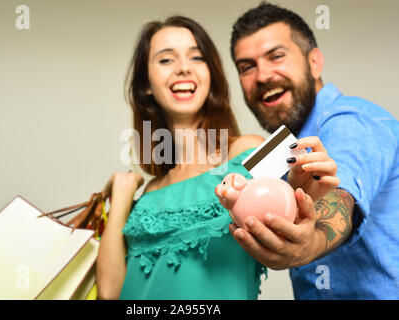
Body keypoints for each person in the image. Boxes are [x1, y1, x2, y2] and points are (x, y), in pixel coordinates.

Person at [96, 16, 338, 300]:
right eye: (166, 60)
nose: (184, 68)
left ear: (210, 75)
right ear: (146, 85)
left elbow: (307, 209)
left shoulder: (252, 152)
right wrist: (123, 194)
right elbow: (110, 293)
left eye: (196, 58)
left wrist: (309, 191)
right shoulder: (147, 193)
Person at [229, 3, 399, 299]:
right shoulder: (279, 147)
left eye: (276, 56)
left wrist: (314, 240)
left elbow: (341, 191)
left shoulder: (354, 118)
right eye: (247, 67)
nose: (262, 76)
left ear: (315, 62)